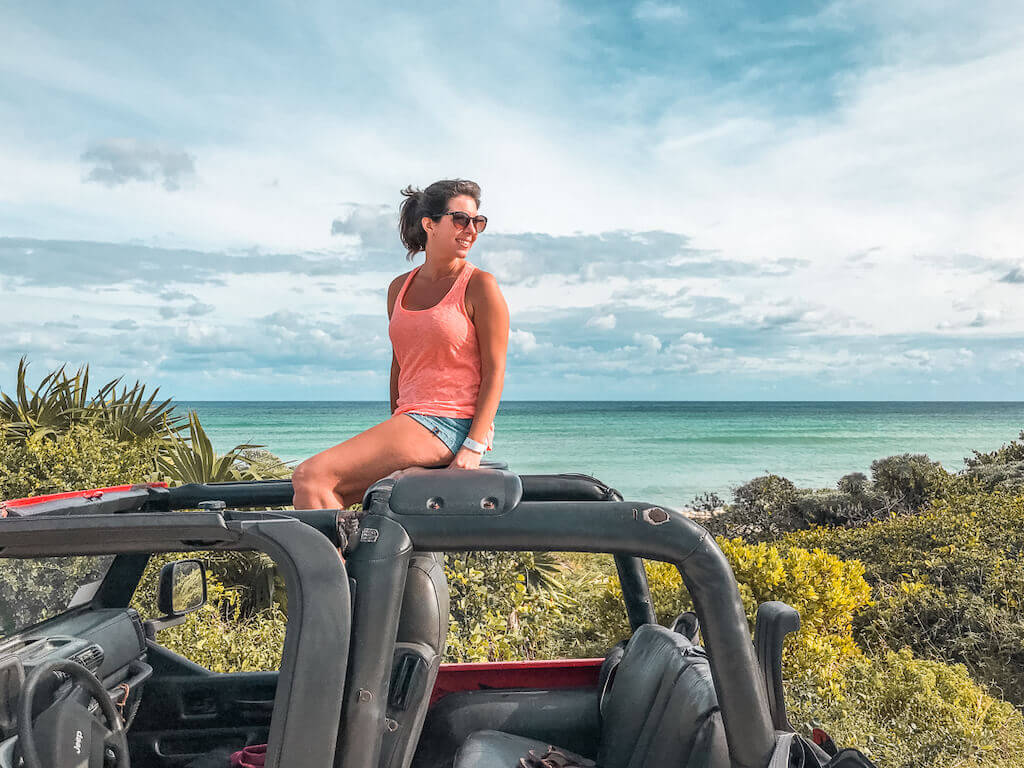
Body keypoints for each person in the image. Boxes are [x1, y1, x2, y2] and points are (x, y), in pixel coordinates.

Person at [292, 179, 509, 510]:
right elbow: (401, 363)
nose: (471, 230)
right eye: (461, 219)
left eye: (477, 222)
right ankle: (347, 563)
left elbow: (495, 371)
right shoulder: (399, 288)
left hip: (450, 423)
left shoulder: (480, 285)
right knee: (327, 493)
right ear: (429, 224)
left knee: (310, 476)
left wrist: (473, 447)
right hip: (411, 422)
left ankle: (327, 564)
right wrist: (396, 428)